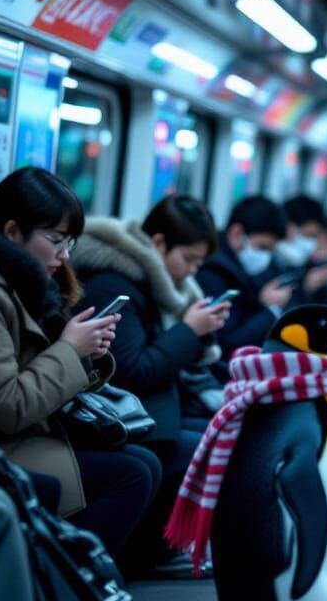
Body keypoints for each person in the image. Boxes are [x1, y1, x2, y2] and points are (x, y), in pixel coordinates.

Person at [0, 168, 159, 556]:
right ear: (12, 232)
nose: (64, 257)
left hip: (28, 432)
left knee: (146, 462)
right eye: (55, 240)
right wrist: (68, 351)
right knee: (132, 475)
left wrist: (87, 354)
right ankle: (69, 586)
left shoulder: (26, 283)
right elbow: (7, 407)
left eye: (69, 243)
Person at [72, 194, 230, 574]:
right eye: (187, 260)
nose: (191, 273)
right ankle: (149, 553)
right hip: (109, 412)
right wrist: (189, 330)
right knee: (198, 445)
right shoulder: (114, 284)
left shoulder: (151, 283)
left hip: (145, 403)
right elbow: (132, 370)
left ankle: (171, 543)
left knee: (216, 431)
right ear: (158, 243)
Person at [197, 196, 293, 356]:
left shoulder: (242, 268)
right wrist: (270, 310)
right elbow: (227, 344)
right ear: (236, 233)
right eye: (262, 247)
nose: (266, 257)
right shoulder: (212, 274)